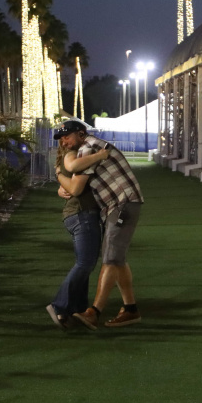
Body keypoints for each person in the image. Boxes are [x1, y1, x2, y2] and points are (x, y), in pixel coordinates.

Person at [55, 119, 144, 328]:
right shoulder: (90, 147)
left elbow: (75, 185)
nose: (64, 142)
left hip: (121, 204)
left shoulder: (90, 147)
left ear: (80, 134)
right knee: (117, 259)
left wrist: (58, 174)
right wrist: (61, 185)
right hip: (120, 205)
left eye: (67, 136)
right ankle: (130, 309)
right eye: (61, 139)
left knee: (110, 258)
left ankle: (94, 312)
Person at [47, 147, 106, 332]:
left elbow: (68, 182)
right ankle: (59, 305)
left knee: (85, 263)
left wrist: (59, 179)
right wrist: (101, 155)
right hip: (82, 214)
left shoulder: (69, 157)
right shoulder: (80, 155)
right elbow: (74, 185)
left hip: (78, 214)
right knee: (85, 263)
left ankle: (77, 309)